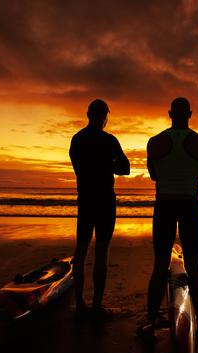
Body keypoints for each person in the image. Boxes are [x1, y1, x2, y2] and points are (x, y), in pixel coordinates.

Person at [140, 97, 198, 339]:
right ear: (190, 114)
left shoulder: (155, 142)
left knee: (160, 265)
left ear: (170, 114)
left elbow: (152, 176)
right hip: (190, 204)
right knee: (194, 265)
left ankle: (150, 321)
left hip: (165, 204)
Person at [69, 99, 130, 318]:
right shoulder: (109, 140)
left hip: (86, 198)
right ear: (105, 117)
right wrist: (107, 165)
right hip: (104, 199)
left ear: (88, 114)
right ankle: (95, 305)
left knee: (81, 250)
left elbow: (79, 169)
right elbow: (126, 167)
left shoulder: (77, 140)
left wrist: (97, 166)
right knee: (101, 252)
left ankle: (79, 304)